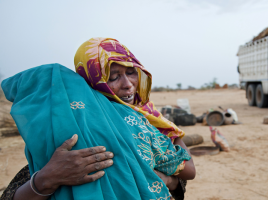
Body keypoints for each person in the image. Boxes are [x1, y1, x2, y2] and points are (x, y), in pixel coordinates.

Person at [0, 38, 195, 200]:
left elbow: (177, 178)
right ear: (92, 80)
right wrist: (47, 177)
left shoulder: (147, 118)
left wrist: (170, 181)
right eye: (113, 77)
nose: (128, 85)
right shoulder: (77, 129)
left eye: (131, 72)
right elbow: (186, 171)